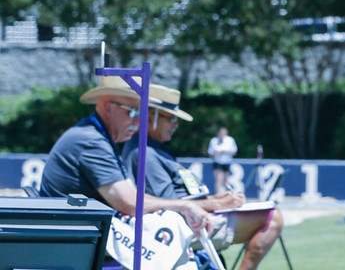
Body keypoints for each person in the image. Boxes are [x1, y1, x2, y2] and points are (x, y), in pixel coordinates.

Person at [122, 83, 284, 270]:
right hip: (183, 225)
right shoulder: (146, 153)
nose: (176, 125)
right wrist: (218, 204)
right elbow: (170, 205)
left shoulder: (156, 149)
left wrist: (217, 198)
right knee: (273, 218)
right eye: (171, 118)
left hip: (194, 217)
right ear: (150, 117)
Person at [38, 75, 211, 236]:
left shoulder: (99, 137)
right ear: (108, 108)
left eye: (142, 114)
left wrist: (188, 206)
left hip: (82, 235)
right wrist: (185, 205)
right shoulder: (91, 141)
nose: (138, 122)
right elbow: (130, 205)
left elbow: (133, 196)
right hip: (76, 239)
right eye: (134, 112)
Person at [208, 125, 238, 194]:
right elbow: (210, 153)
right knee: (218, 180)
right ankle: (218, 195)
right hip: (218, 162)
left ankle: (227, 194)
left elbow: (234, 152)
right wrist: (218, 152)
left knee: (226, 181)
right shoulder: (214, 141)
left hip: (227, 162)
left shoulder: (230, 140)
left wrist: (226, 151)